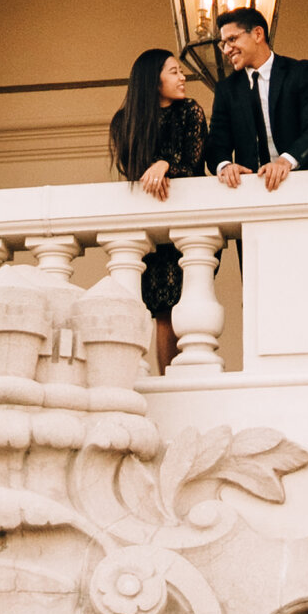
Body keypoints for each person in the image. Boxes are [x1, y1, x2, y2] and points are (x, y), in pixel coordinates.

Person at [107, 45, 213, 371]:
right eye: (174, 71)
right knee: (162, 309)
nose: (183, 77)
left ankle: (185, 376)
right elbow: (136, 171)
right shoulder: (125, 121)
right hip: (153, 224)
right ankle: (169, 376)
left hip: (188, 220)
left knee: (186, 300)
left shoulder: (191, 112)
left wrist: (166, 163)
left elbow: (194, 163)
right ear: (154, 81)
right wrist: (155, 168)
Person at [207, 7, 308, 188]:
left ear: (257, 34)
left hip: (306, 183)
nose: (226, 50)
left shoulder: (301, 72)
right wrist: (226, 165)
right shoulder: (226, 89)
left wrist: (285, 162)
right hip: (251, 189)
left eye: (232, 39)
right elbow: (217, 142)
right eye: (223, 43)